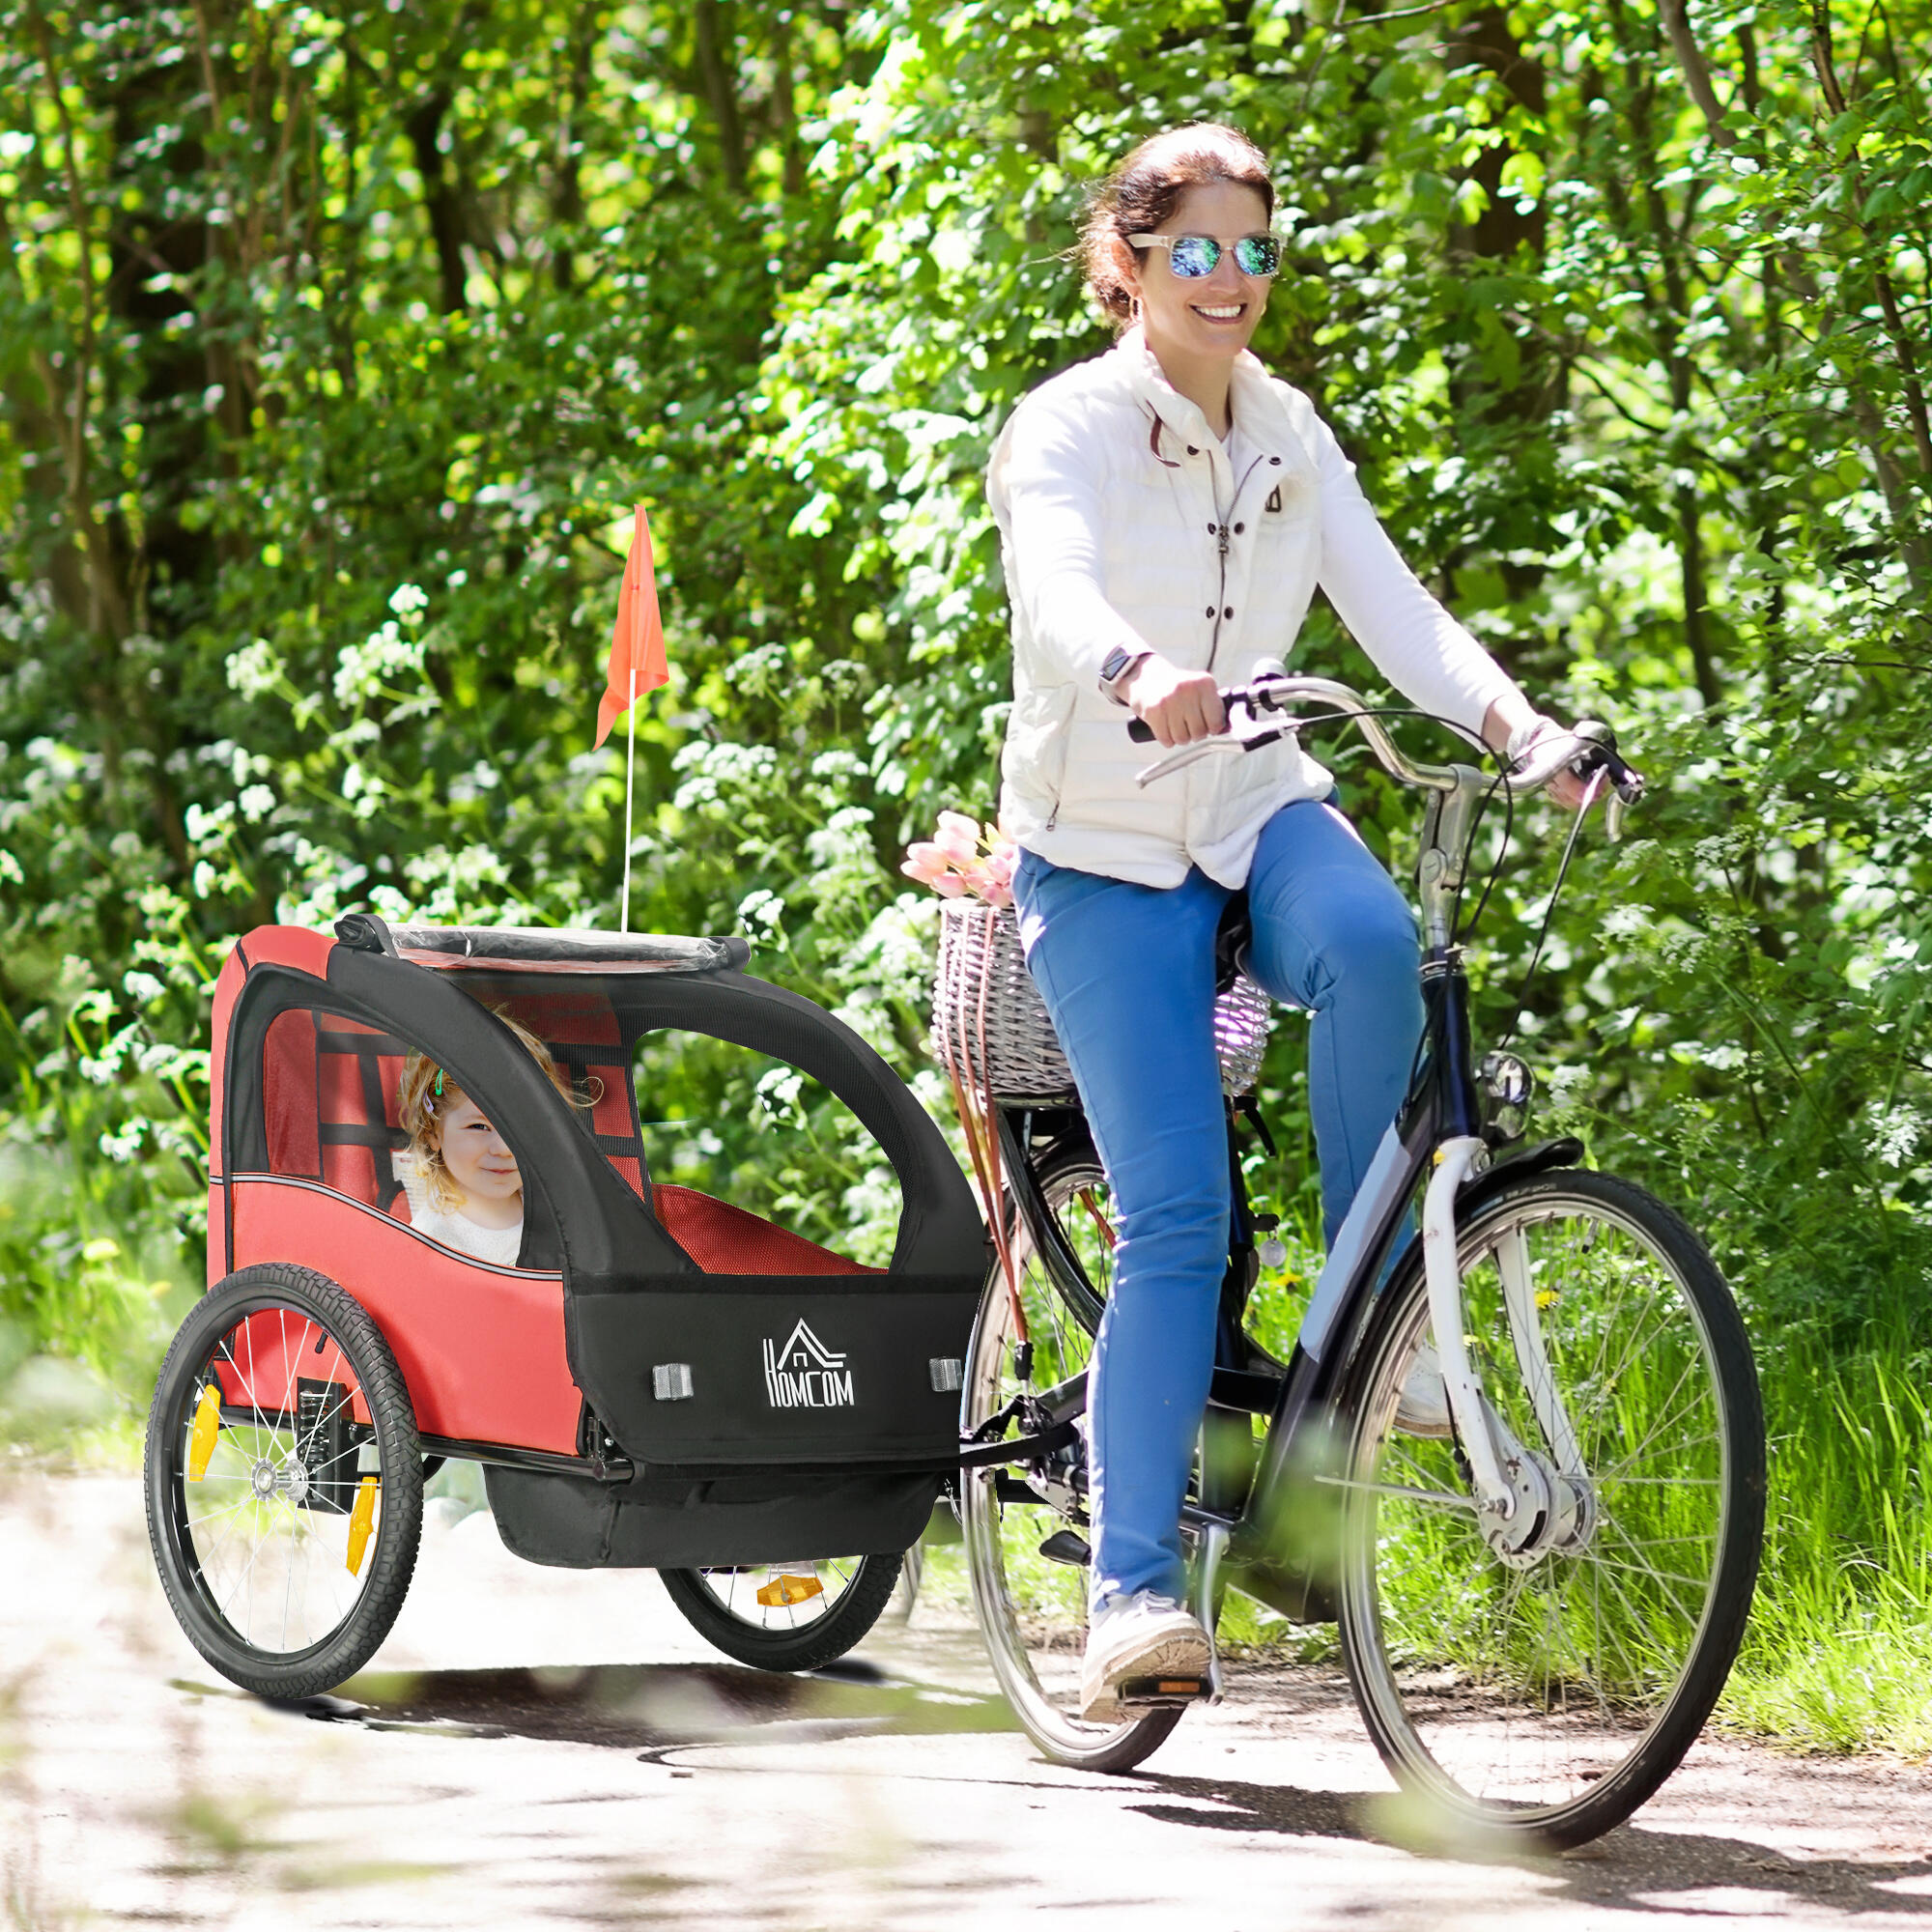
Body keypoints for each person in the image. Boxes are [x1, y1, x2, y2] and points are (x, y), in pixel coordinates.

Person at [987, 122, 1591, 1720]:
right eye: (1199, 250)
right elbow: (1054, 591)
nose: (1234, 280)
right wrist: (1134, 672)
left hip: (1253, 804)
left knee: (1381, 946)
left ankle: (1368, 1323)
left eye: (1259, 249)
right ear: (1126, 265)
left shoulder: (1288, 435)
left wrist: (1520, 733)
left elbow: (1395, 610)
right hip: (1104, 849)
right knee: (1177, 1215)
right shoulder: (1065, 432)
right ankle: (1131, 1594)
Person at [394, 1013, 596, 1266]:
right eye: (478, 1126)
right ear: (433, 1134)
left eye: (522, 1125)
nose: (504, 1149)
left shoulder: (554, 1208)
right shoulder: (432, 1242)